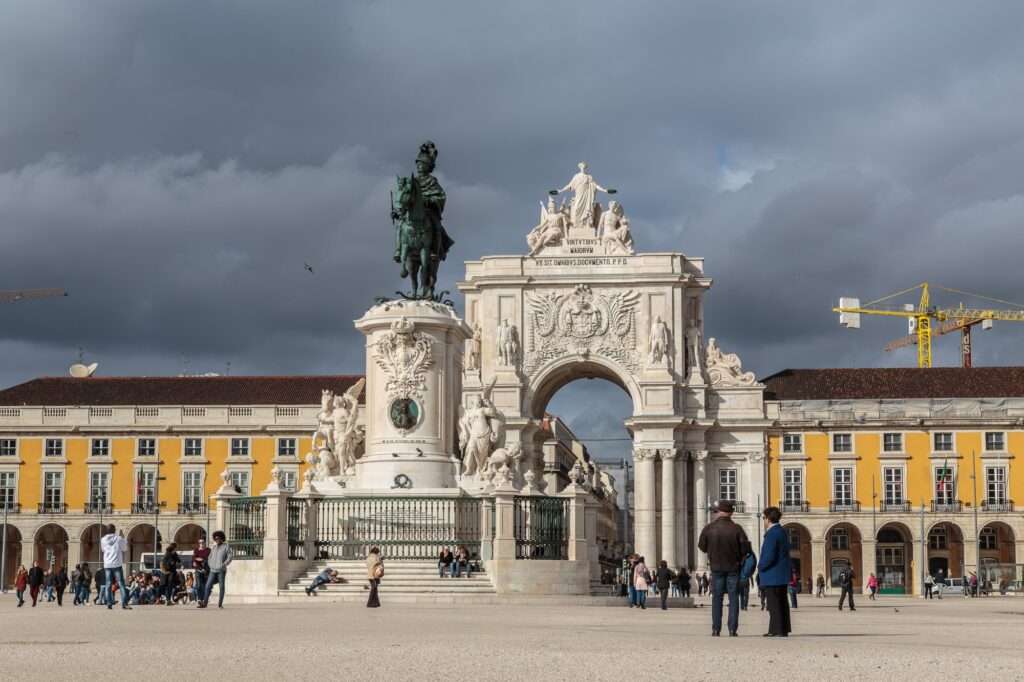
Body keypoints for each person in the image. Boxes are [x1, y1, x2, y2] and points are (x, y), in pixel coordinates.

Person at [697, 500, 751, 637]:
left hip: (716, 567)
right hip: (733, 567)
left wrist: (711, 551)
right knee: (733, 598)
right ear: (731, 513)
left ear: (717, 511)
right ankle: (732, 629)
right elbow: (745, 549)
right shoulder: (737, 529)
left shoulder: (709, 528)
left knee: (717, 598)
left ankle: (716, 629)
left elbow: (701, 546)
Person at [758, 506, 793, 637]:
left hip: (773, 574)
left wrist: (760, 566)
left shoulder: (772, 533)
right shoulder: (781, 531)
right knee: (782, 602)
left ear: (767, 518)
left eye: (763, 518)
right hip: (781, 573)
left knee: (773, 603)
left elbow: (769, 555)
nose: (763, 521)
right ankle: (782, 629)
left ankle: (777, 629)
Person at [100, 524, 132, 610]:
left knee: (108, 584)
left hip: (107, 564)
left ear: (107, 530)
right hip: (117, 564)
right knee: (121, 584)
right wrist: (123, 539)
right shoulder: (119, 539)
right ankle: (124, 604)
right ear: (114, 530)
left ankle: (109, 604)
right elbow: (125, 548)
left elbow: (103, 550)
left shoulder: (102, 540)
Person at [198, 530, 232, 609]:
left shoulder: (226, 546)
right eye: (215, 539)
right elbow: (210, 557)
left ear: (221, 539)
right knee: (207, 586)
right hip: (213, 570)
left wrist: (224, 564)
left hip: (221, 570)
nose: (217, 540)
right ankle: (204, 603)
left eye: (218, 538)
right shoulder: (214, 547)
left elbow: (230, 557)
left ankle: (220, 604)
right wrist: (210, 565)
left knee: (221, 587)